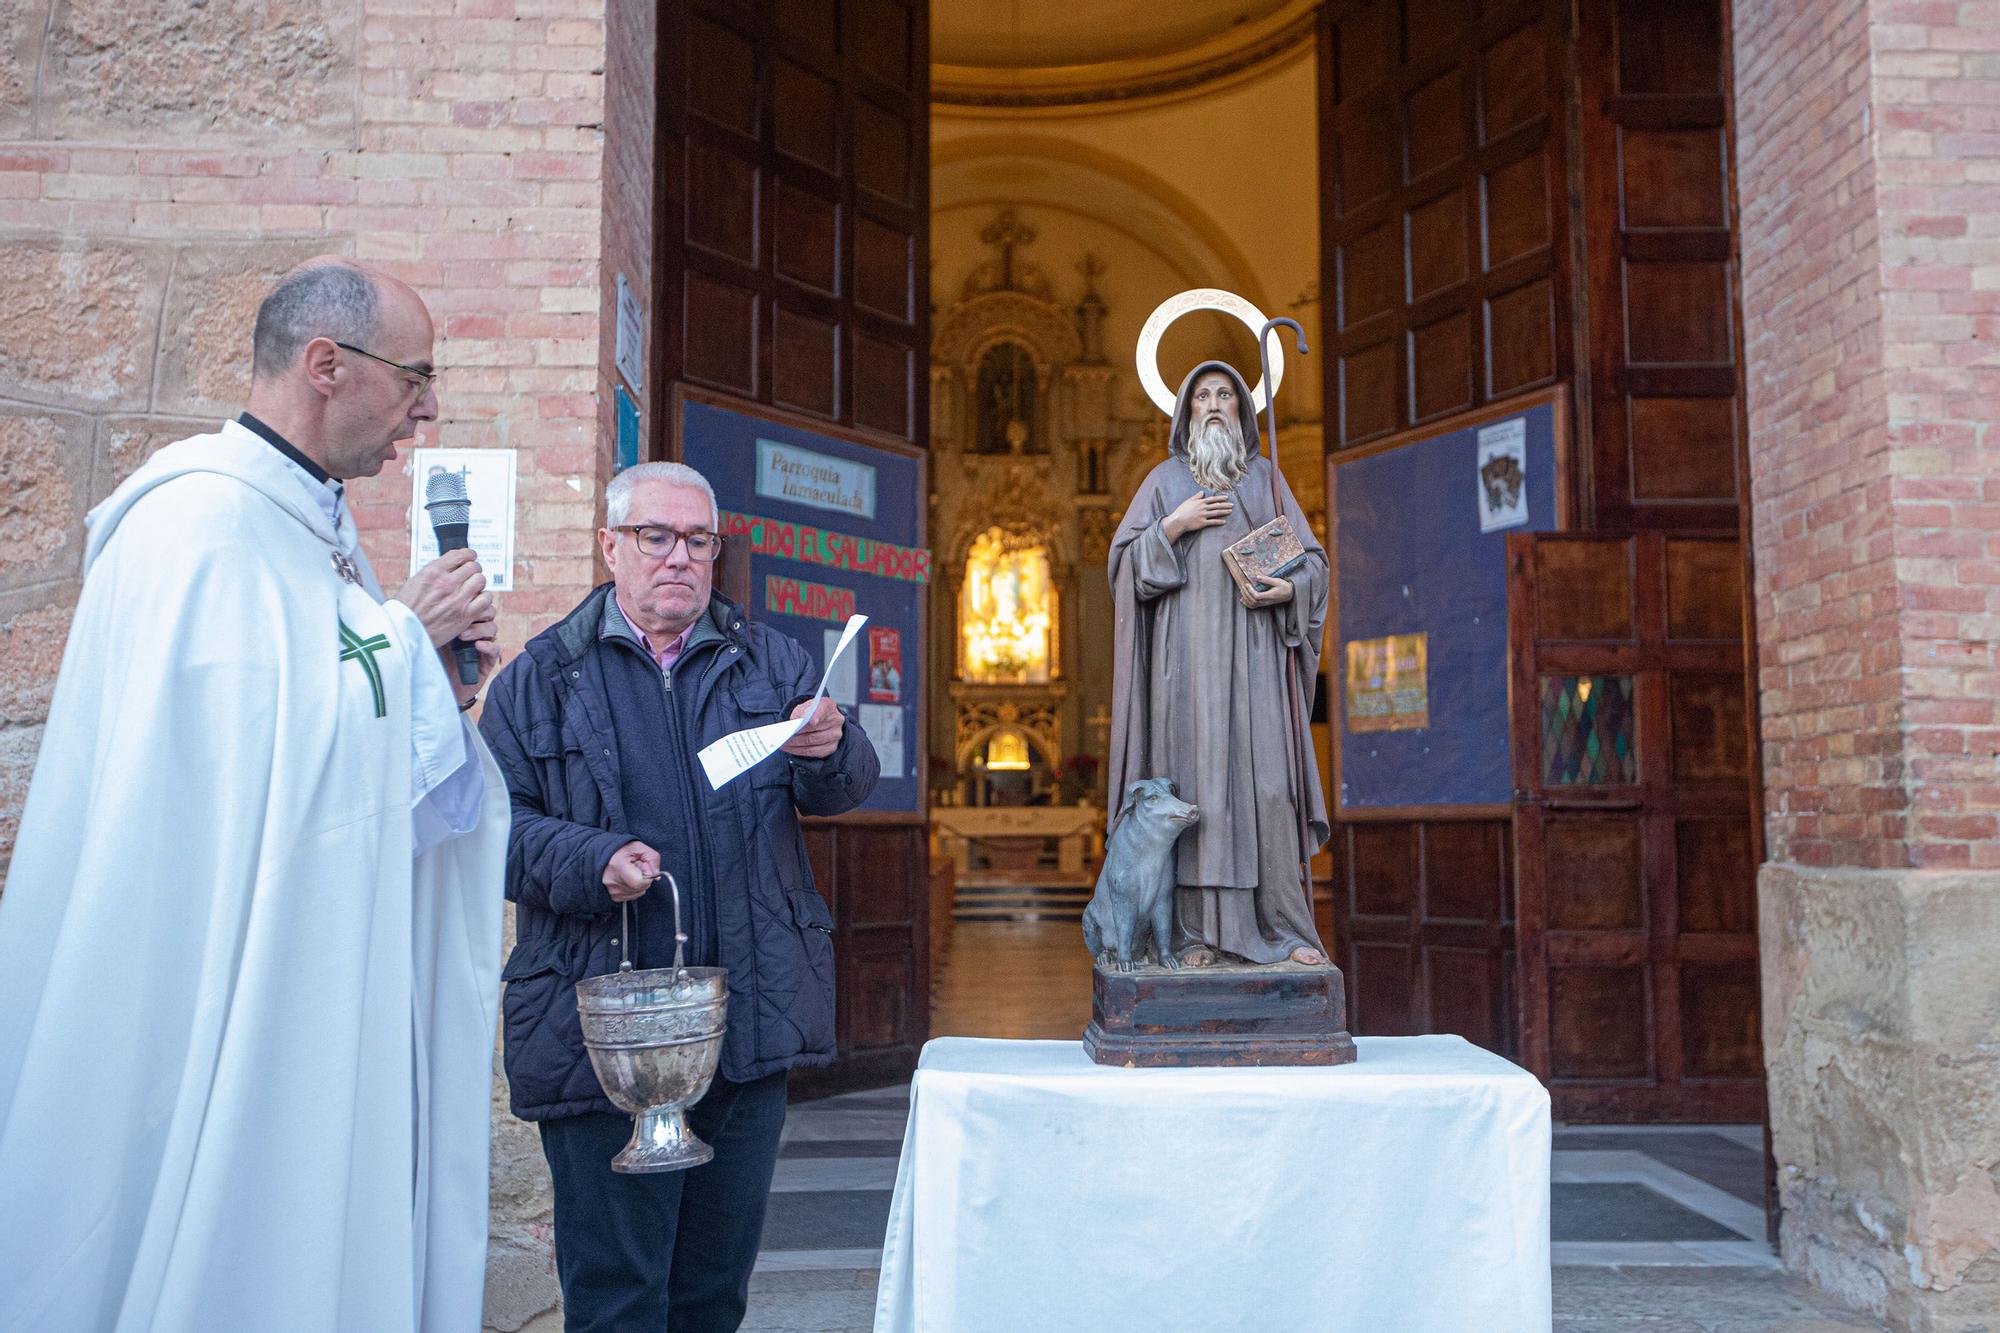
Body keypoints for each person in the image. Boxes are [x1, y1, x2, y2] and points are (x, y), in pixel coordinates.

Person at [0, 258, 511, 1331]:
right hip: (200, 975)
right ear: (326, 364)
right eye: (414, 375)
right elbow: (234, 769)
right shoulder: (195, 526)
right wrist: (404, 640)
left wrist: (428, 679)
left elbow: (333, 753)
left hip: (303, 965)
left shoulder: (314, 530)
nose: (426, 406)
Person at [480, 460, 879, 1333]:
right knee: (619, 1295)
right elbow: (492, 832)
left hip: (744, 1023)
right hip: (605, 1037)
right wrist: (592, 860)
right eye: (656, 537)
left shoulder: (767, 660)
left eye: (699, 540)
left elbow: (842, 789)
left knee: (712, 1292)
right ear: (610, 545)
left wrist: (834, 744)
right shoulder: (539, 678)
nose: (680, 558)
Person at [1107, 360, 1330, 967]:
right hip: (1185, 671)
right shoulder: (1162, 482)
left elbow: (1312, 565)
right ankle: (1196, 935)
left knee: (1268, 786)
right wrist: (1172, 526)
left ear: (1241, 410)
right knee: (1197, 786)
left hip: (1256, 663)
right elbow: (1122, 568)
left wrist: (1289, 591)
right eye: (1201, 395)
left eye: (1224, 395)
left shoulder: (1267, 481)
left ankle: (1282, 930)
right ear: (1185, 412)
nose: (1212, 404)